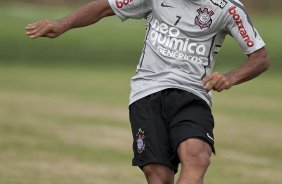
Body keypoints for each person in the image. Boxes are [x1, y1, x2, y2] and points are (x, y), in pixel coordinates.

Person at [26, 0, 270, 183]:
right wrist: (62, 24)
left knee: (197, 158)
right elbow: (105, 7)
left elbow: (260, 58)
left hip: (192, 93)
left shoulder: (228, 9)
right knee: (159, 175)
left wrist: (230, 78)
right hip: (147, 92)